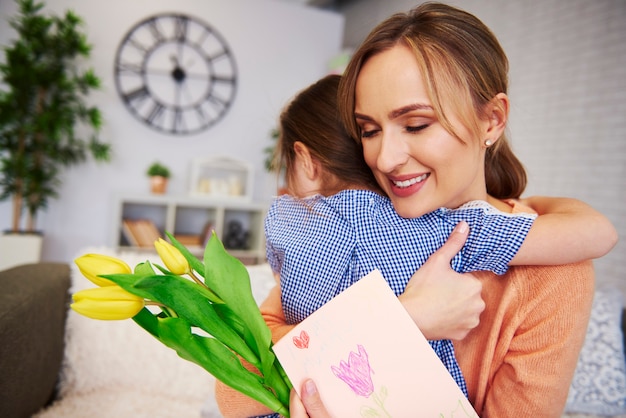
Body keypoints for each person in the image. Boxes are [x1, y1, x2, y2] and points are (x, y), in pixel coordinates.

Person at [214, 65, 616, 418]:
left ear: (491, 121)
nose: (386, 158)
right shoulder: (333, 233)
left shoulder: (552, 269)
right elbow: (231, 390)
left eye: (417, 124)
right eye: (369, 131)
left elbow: (248, 381)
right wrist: (404, 319)